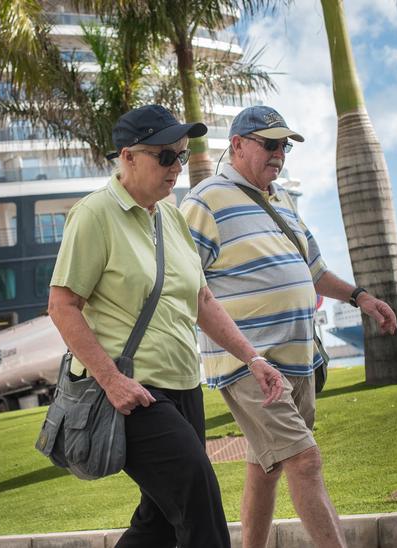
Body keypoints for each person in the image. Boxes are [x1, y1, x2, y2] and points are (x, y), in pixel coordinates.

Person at [48, 104, 284, 548]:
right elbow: (62, 306)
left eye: (180, 154)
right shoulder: (94, 215)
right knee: (199, 498)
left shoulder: (170, 217)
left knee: (156, 523)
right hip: (133, 393)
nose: (176, 167)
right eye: (165, 156)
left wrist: (251, 358)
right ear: (128, 157)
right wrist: (113, 381)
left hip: (183, 387)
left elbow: (202, 299)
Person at [180, 105, 397, 548]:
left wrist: (361, 297)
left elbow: (314, 271)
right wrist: (242, 352)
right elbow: (188, 283)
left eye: (285, 146)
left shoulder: (280, 200)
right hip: (249, 365)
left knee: (267, 467)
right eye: (270, 144)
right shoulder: (205, 200)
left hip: (296, 361)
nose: (279, 154)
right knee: (305, 461)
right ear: (238, 144)